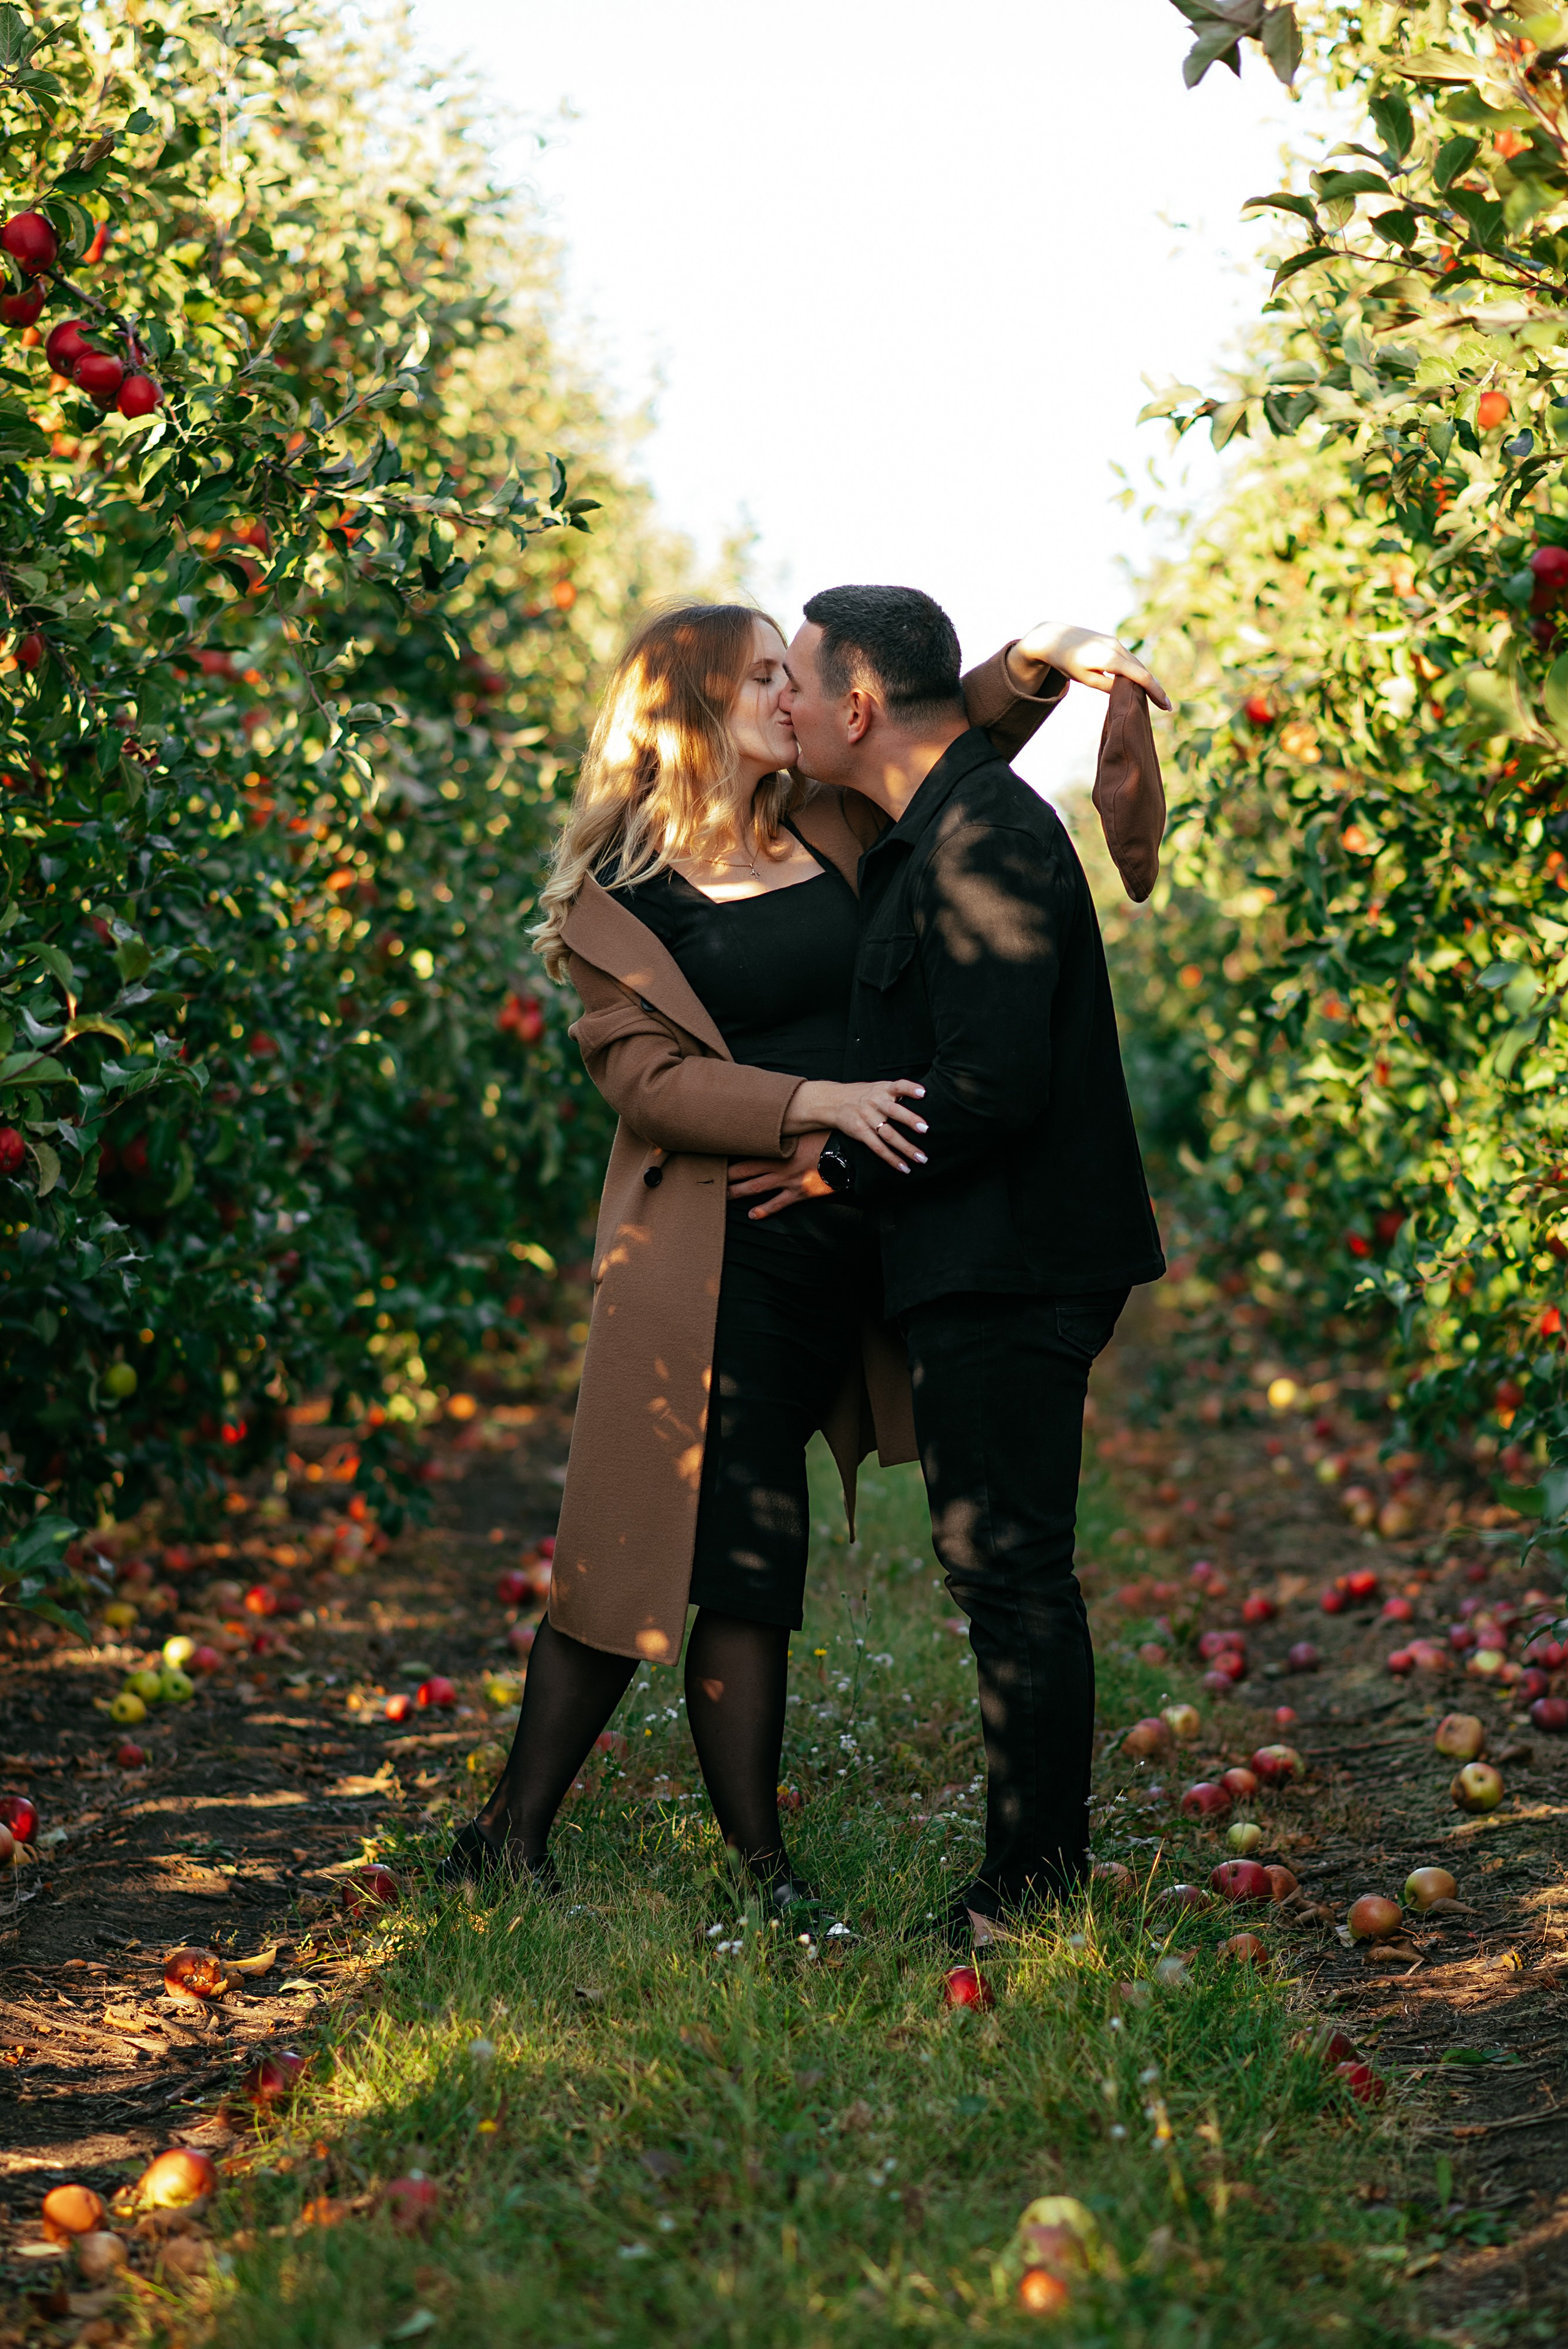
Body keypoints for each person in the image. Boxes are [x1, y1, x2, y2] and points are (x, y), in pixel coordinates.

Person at [439, 600, 1165, 1918]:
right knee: (653, 1554)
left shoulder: (829, 827)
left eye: (795, 671)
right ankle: (559, 1836)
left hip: (860, 1230)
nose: (790, 695)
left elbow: (936, 743)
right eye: (760, 675)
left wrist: (1025, 665)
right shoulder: (627, 903)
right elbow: (644, 1080)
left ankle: (698, 1854)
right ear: (692, 709)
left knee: (755, 1557)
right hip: (715, 1254)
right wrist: (806, 1106)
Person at [751, 584, 1168, 1948]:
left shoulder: (980, 839)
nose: (786, 708)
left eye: (800, 686)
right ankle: (1028, 1873)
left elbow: (987, 1082)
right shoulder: (941, 820)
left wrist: (833, 1165)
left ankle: (1031, 1889)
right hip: (984, 1254)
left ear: (858, 708)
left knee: (1010, 1568)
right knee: (996, 1562)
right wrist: (1044, 657)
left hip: (1013, 1260)